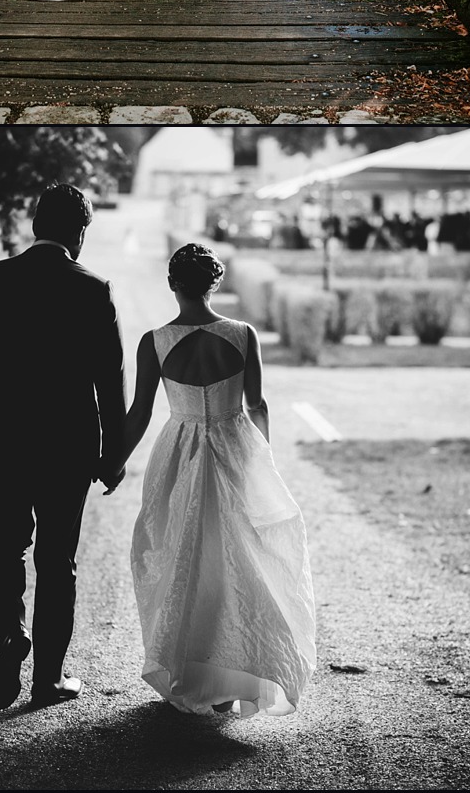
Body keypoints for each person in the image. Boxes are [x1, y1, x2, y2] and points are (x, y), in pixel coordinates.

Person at [0, 181, 127, 714]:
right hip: (68, 445)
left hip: (2, 439)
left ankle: (8, 635)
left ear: (35, 225)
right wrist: (112, 455)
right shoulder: (94, 290)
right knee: (57, 560)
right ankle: (47, 679)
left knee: (2, 545)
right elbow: (109, 383)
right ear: (79, 232)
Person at [125, 240, 316, 719]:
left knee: (183, 559)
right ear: (215, 283)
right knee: (239, 562)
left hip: (180, 455)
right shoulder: (242, 334)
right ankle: (236, 674)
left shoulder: (155, 341)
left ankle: (190, 671)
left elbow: (141, 412)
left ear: (173, 284)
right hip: (234, 451)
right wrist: (261, 463)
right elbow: (258, 405)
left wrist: (112, 461)